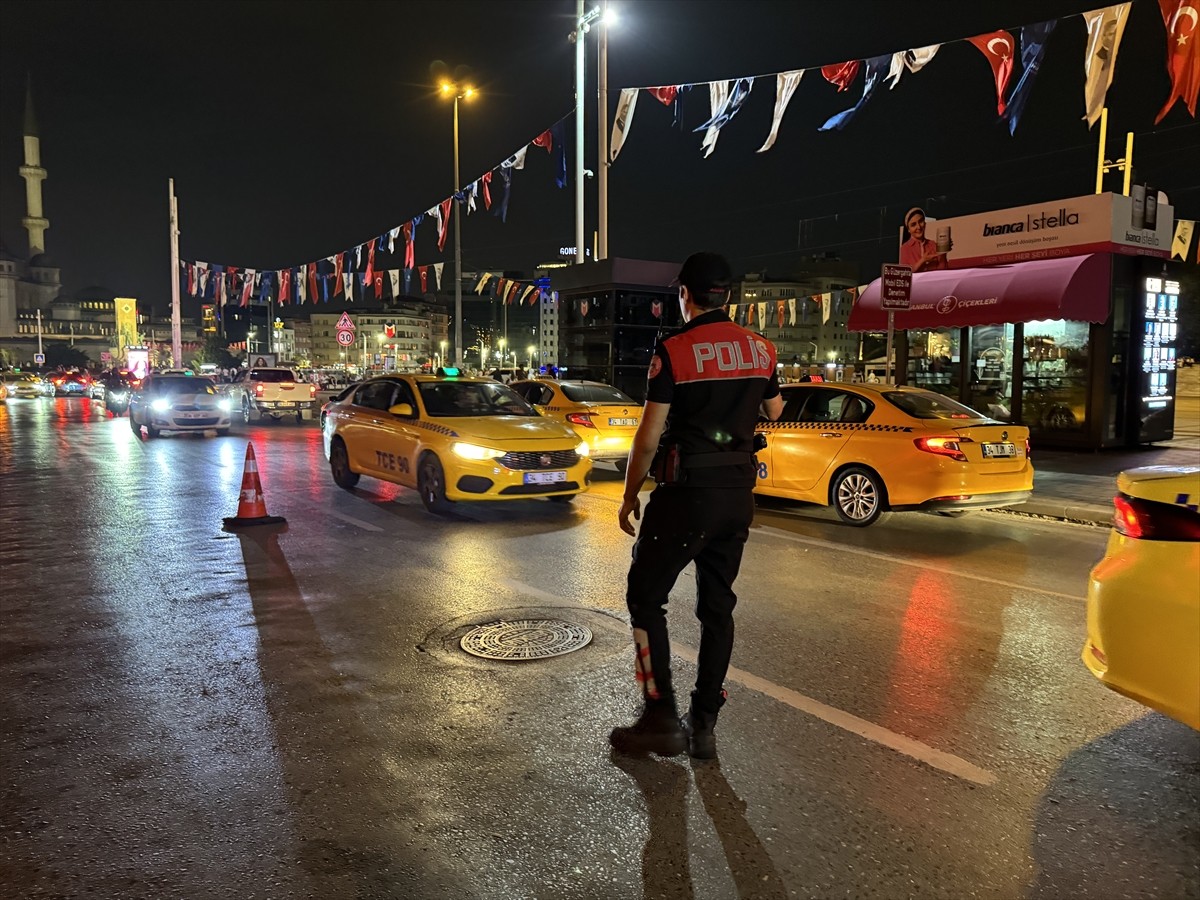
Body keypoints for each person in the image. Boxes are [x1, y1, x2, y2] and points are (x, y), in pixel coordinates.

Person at [610, 251, 784, 760]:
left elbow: (647, 437)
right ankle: (704, 723)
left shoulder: (675, 350)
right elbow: (775, 408)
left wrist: (628, 494)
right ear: (726, 295)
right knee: (717, 607)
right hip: (737, 496)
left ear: (685, 294)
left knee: (645, 598)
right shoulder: (761, 348)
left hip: (686, 497)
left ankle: (660, 715)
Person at [899, 207, 949, 272]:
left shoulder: (933, 244)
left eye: (920, 221)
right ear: (908, 230)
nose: (918, 227)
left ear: (925, 223)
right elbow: (905, 273)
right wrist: (923, 260)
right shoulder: (905, 248)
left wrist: (944, 251)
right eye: (913, 225)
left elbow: (941, 272)